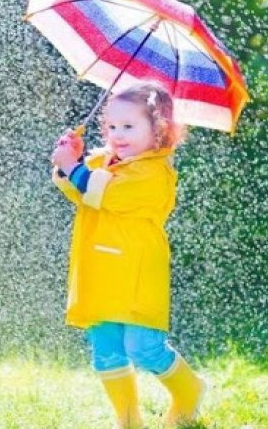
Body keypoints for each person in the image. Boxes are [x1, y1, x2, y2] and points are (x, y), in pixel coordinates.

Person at [50, 82, 207, 428]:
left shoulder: (154, 172)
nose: (117, 134)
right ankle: (128, 420)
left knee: (143, 347)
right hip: (100, 268)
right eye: (111, 126)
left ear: (159, 129)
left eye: (128, 126)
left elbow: (104, 194)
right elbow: (76, 188)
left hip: (137, 271)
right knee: (105, 349)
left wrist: (74, 168)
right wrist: (69, 159)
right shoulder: (105, 160)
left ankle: (189, 391)